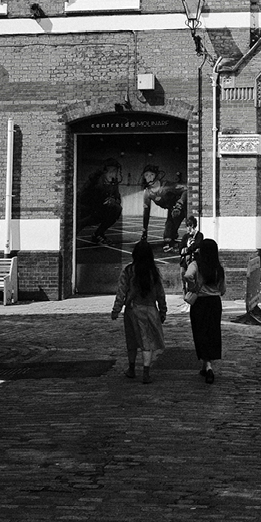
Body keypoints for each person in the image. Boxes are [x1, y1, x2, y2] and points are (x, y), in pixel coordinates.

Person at [111, 239, 167, 383]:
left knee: (132, 340)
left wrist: (116, 309)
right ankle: (146, 372)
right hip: (150, 309)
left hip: (132, 310)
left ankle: (131, 368)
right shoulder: (154, 272)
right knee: (147, 341)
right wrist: (162, 310)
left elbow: (121, 292)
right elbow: (160, 293)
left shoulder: (129, 270)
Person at [184, 237, 226, 384]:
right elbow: (223, 290)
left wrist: (193, 285)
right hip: (214, 303)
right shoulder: (218, 268)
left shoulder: (196, 264)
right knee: (212, 332)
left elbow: (188, 275)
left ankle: (207, 366)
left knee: (200, 332)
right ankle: (206, 365)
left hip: (200, 303)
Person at [79, 159, 123, 245]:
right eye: (109, 171)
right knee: (78, 225)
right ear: (104, 172)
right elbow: (83, 196)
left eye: (114, 171)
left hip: (99, 211)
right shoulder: (94, 182)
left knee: (117, 208)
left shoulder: (113, 184)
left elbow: (118, 199)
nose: (112, 174)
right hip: (86, 210)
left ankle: (98, 234)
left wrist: (113, 201)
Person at [140, 165, 187, 246]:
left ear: (156, 175)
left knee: (189, 225)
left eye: (152, 174)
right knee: (167, 239)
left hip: (183, 206)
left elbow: (186, 190)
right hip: (172, 210)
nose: (149, 178)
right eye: (146, 175)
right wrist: (144, 231)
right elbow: (146, 212)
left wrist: (179, 204)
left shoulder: (167, 185)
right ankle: (173, 232)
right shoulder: (147, 192)